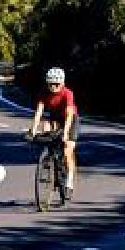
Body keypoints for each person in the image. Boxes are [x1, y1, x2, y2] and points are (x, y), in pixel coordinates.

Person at [29, 67, 79, 199]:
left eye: (56, 84)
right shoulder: (44, 93)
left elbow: (69, 115)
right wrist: (33, 130)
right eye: (51, 84)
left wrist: (66, 133)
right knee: (46, 128)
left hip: (70, 119)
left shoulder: (67, 93)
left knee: (68, 149)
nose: (53, 87)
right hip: (55, 117)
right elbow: (39, 111)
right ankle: (49, 157)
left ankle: (69, 182)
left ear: (62, 83)